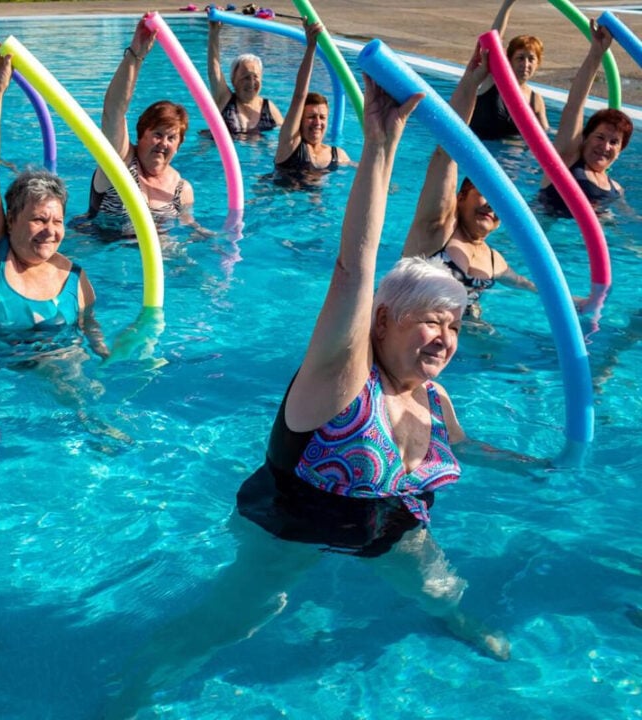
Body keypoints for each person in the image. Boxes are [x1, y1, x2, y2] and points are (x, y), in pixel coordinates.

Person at [103, 79, 508, 719]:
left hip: (383, 518)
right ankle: (132, 693)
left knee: (440, 587)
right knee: (241, 618)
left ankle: (453, 619)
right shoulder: (340, 380)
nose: (444, 336)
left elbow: (459, 451)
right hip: (291, 524)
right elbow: (356, 266)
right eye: (429, 320)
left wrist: (521, 466)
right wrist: (379, 146)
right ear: (380, 323)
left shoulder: (431, 395)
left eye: (453, 325)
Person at [0, 47, 103, 367]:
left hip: (51, 379)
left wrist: (106, 357)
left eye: (57, 221)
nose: (50, 231)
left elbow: (91, 332)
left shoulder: (74, 278)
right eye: (39, 219)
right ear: (10, 220)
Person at [404, 48, 535, 320]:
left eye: (501, 202)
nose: (492, 206)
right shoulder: (438, 230)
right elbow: (446, 153)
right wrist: (470, 82)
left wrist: (579, 302)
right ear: (460, 197)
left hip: (455, 339)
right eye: (485, 193)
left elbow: (528, 285)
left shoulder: (493, 260)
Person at [86, 15, 195, 231]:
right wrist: (136, 55)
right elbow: (113, 110)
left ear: (179, 145)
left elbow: (188, 227)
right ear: (140, 134)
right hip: (105, 254)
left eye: (171, 138)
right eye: (157, 134)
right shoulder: (121, 164)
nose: (164, 143)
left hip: (158, 257)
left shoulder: (181, 189)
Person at [539, 20, 631, 215]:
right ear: (585, 138)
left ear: (621, 150)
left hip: (589, 245)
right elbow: (574, 107)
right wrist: (596, 54)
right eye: (600, 137)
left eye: (614, 142)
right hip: (546, 242)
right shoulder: (566, 161)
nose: (605, 146)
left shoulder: (616, 189)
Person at [273, 19, 352, 187]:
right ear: (300, 120)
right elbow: (299, 96)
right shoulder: (290, 145)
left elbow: (361, 171)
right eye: (311, 117)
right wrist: (311, 48)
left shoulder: (337, 155)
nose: (317, 123)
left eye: (322, 117)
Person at [468, 0, 550, 140]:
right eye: (520, 58)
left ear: (538, 64)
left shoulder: (535, 100)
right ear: (509, 60)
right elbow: (493, 41)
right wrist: (507, 4)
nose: (525, 64)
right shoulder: (494, 80)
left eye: (531, 59)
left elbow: (545, 138)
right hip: (477, 154)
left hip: (512, 160)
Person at [207, 19, 283, 135]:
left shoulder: (269, 109)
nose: (252, 83)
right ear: (233, 80)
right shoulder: (224, 99)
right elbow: (214, 69)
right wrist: (214, 32)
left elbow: (287, 137)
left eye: (255, 77)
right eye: (246, 77)